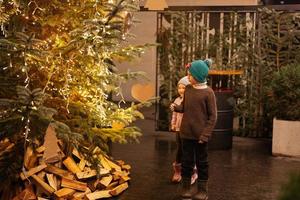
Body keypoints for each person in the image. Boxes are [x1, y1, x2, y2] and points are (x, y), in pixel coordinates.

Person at [171, 59, 217, 200]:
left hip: (200, 137)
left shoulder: (208, 93)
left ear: (197, 76)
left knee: (202, 163)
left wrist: (205, 135)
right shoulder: (189, 90)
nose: (187, 77)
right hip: (186, 134)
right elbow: (184, 107)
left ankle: (203, 190)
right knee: (187, 162)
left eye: (190, 75)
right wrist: (176, 107)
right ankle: (186, 188)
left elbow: (213, 117)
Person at [170, 76, 198, 184]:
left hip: (189, 130)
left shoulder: (192, 101)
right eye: (179, 88)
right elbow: (175, 114)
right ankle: (178, 171)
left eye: (184, 88)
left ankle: (192, 172)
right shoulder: (177, 100)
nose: (181, 90)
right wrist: (173, 124)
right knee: (179, 150)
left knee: (189, 151)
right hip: (178, 129)